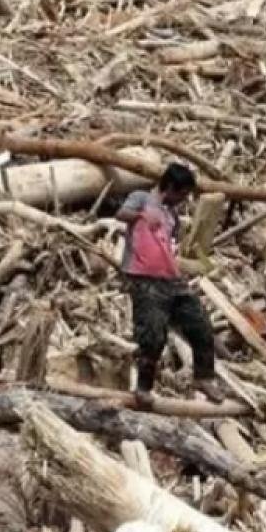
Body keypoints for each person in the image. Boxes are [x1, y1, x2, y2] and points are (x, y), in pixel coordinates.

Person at [116, 162, 224, 407]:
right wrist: (142, 215)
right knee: (153, 335)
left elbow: (169, 246)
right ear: (171, 187)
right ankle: (143, 388)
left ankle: (204, 377)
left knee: (201, 324)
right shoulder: (141, 198)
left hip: (171, 279)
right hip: (143, 279)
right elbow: (121, 214)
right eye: (182, 194)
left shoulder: (172, 215)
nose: (183, 200)